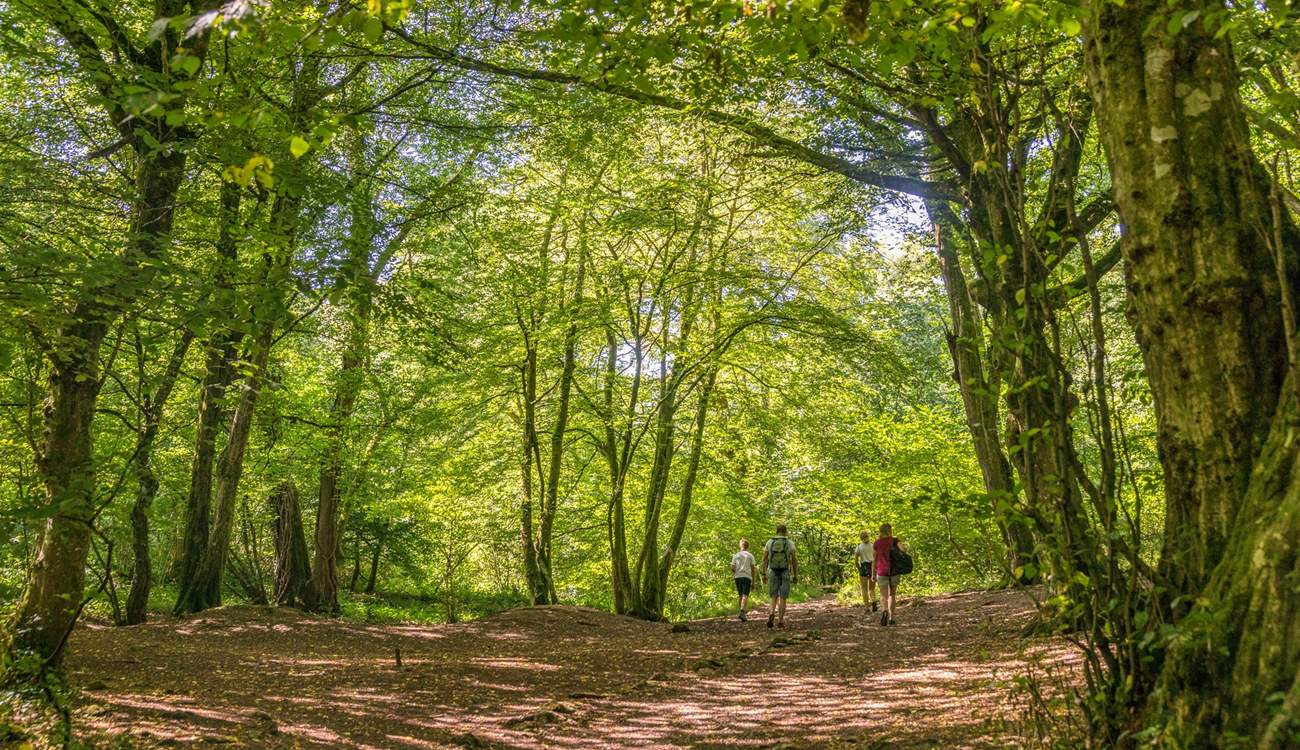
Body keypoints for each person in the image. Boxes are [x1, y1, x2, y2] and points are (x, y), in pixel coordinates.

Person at [761, 524, 797, 630]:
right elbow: (794, 560)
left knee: (773, 596)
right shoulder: (790, 543)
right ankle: (780, 621)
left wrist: (763, 573)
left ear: (776, 531)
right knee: (783, 597)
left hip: (772, 571)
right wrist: (795, 575)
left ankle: (772, 612)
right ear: (785, 532)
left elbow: (764, 559)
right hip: (785, 571)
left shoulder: (770, 542)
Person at [874, 523, 904, 626]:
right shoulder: (895, 541)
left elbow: (874, 559)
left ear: (880, 531)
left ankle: (884, 610)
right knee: (892, 594)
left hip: (881, 571)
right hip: (894, 571)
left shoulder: (877, 543)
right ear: (890, 530)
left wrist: (873, 572)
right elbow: (903, 551)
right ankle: (891, 618)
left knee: (883, 595)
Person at [730, 539, 758, 621]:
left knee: (740, 595)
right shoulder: (750, 555)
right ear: (748, 546)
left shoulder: (736, 555)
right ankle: (742, 611)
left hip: (738, 577)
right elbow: (753, 569)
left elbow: (732, 567)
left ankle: (741, 613)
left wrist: (736, 570)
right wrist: (753, 581)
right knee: (745, 594)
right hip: (747, 577)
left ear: (740, 546)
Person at [852, 531, 878, 612]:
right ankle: (873, 601)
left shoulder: (859, 548)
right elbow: (876, 558)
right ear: (868, 536)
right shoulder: (873, 546)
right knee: (872, 588)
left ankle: (867, 607)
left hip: (863, 567)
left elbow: (856, 561)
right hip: (872, 566)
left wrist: (859, 569)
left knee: (864, 589)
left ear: (861, 538)